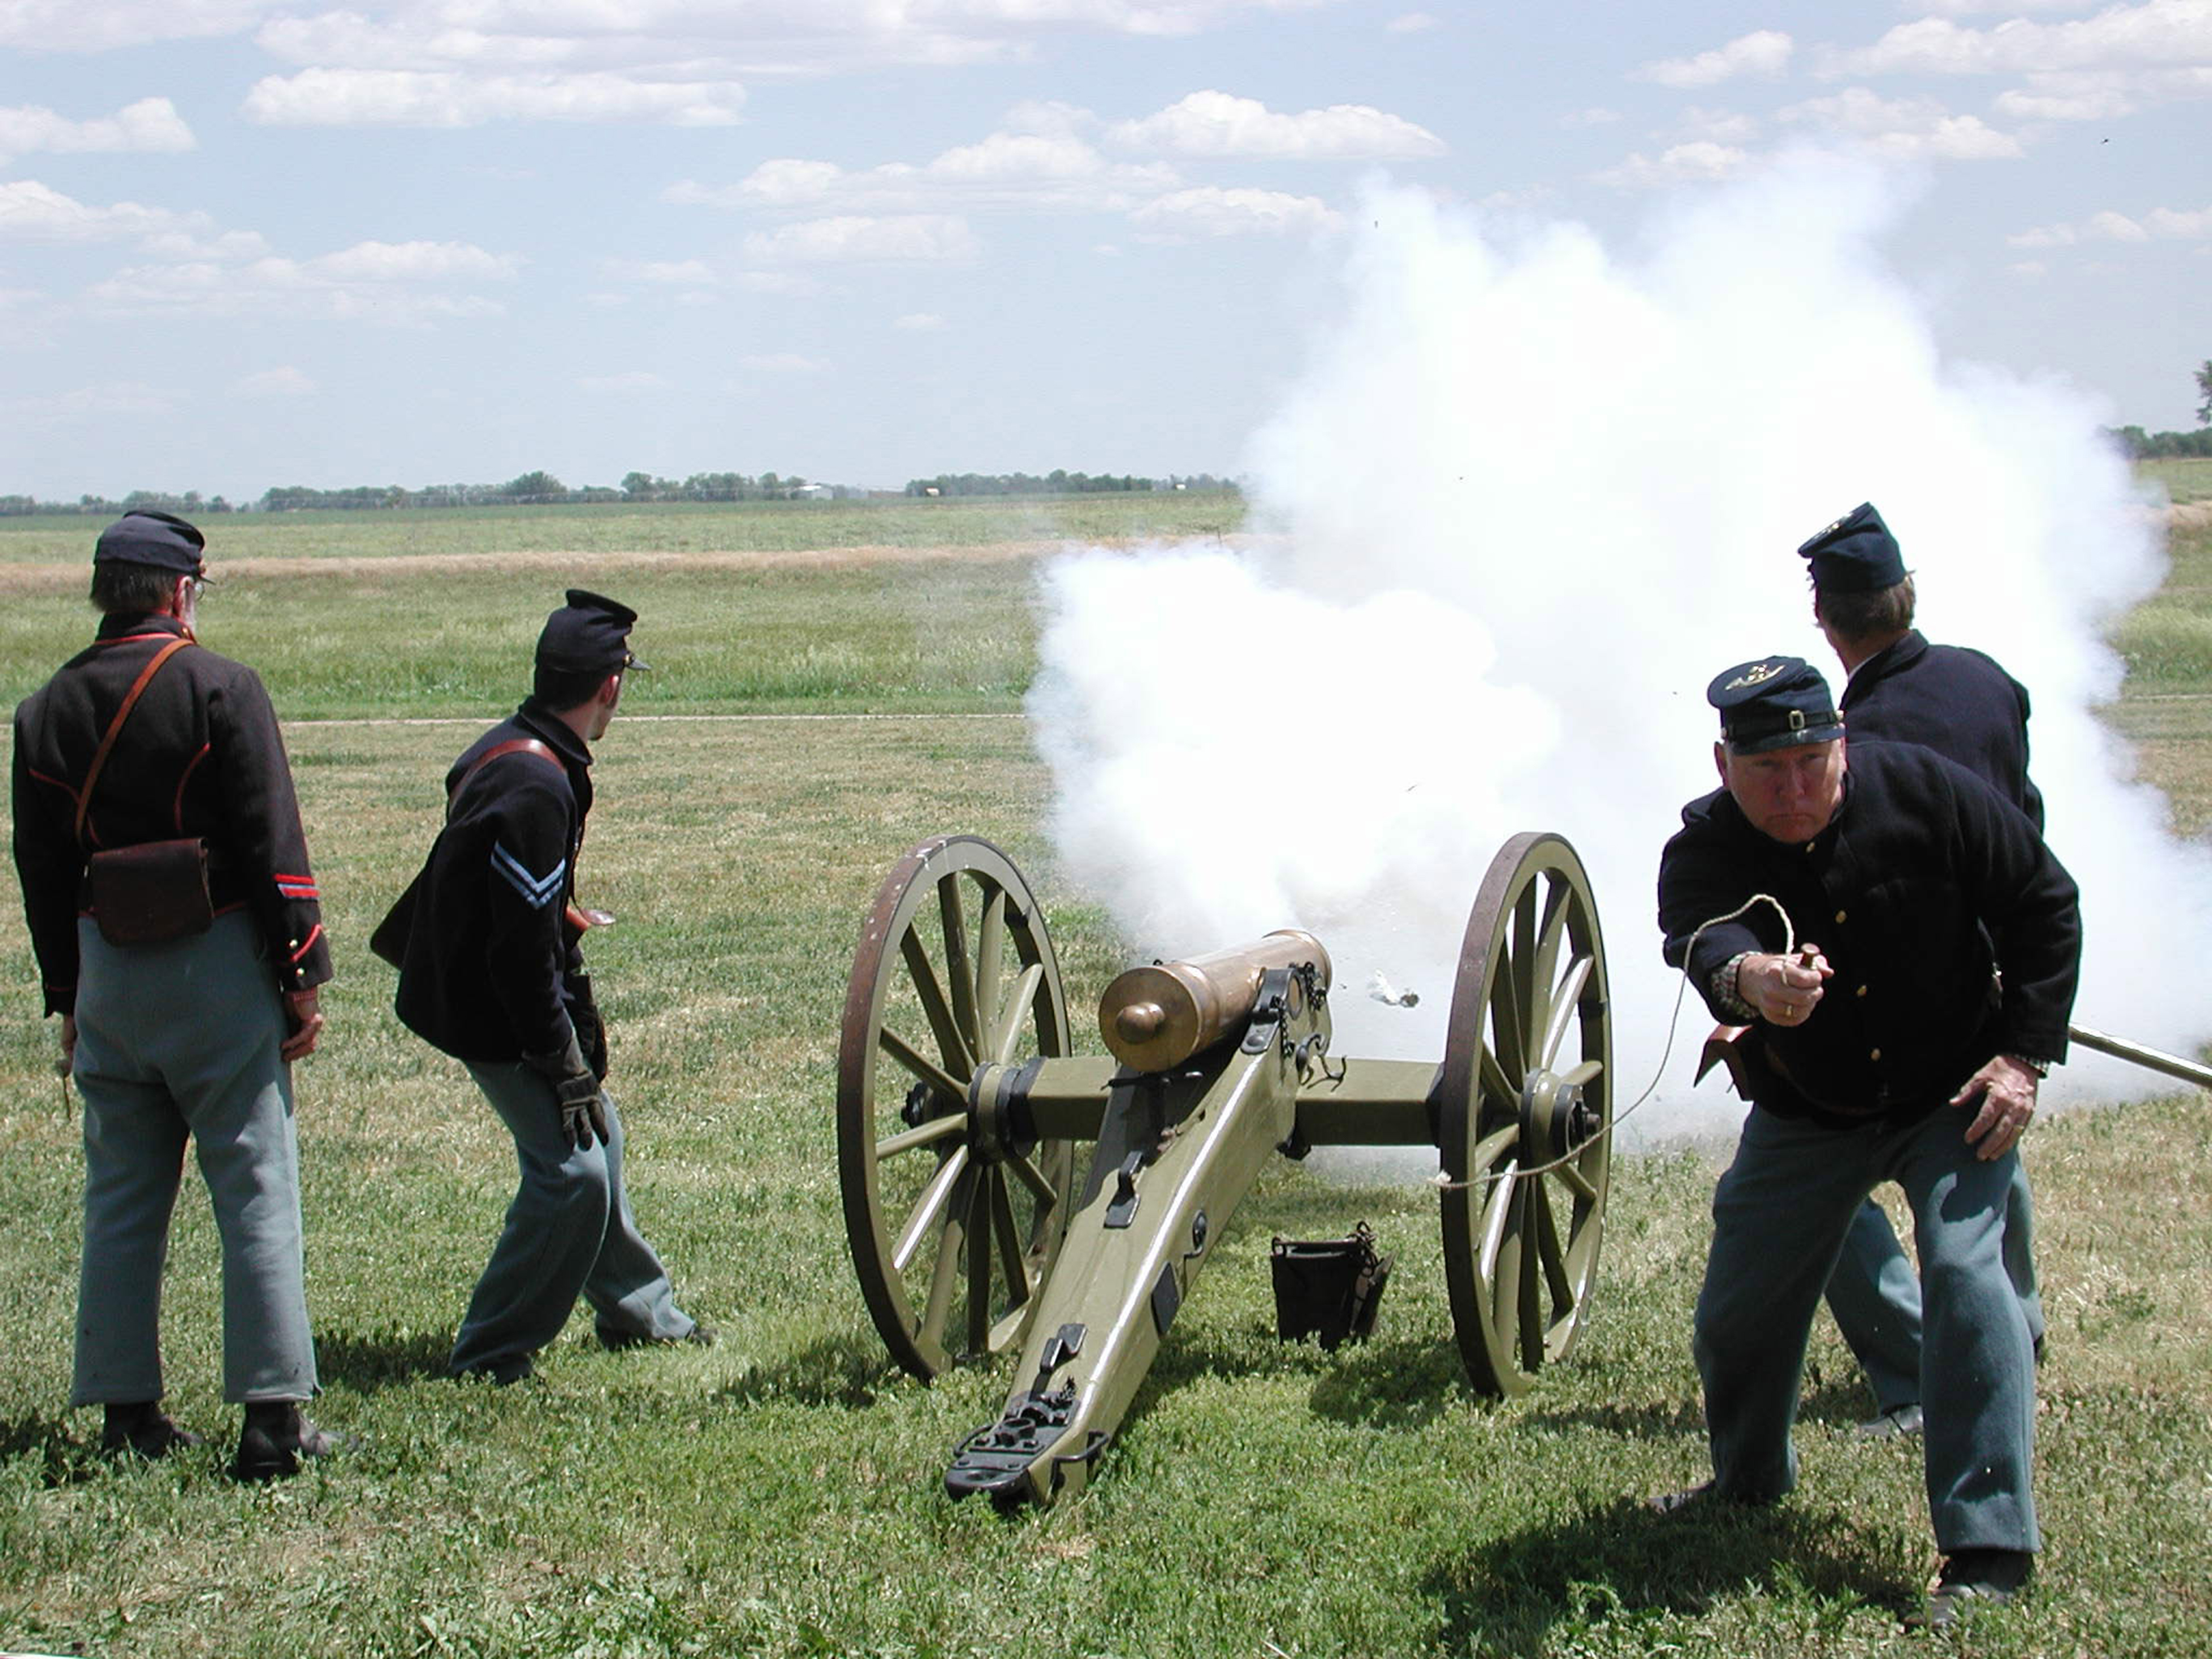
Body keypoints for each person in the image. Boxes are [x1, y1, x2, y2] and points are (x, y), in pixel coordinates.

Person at [1655, 654, 2080, 1628]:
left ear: (1841, 744)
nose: (1795, 790)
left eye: (1813, 762)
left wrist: (2021, 1059)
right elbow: (1701, 937)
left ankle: (1987, 1546)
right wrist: (1754, 978)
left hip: (1952, 1092)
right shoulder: (1704, 845)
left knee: (1972, 1281)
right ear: (1726, 765)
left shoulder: (1929, 792)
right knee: (1737, 1315)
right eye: (1768, 771)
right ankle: (1748, 1483)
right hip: (1811, 1112)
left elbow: (2044, 904)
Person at [11, 510, 338, 1480]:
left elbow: (41, 874)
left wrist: (70, 998)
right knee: (255, 1191)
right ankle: (273, 1423)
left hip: (104, 967)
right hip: (217, 965)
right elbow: (272, 843)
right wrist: (301, 973)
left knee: (119, 1199)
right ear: (179, 592)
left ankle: (128, 1414)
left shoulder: (43, 711)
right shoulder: (220, 687)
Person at [391, 589, 705, 1383]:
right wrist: (562, 1058)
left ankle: (639, 1311)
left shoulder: (516, 748)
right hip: (488, 1007)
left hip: (487, 983)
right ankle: (492, 1350)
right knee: (572, 1173)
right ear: (609, 685)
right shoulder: (538, 786)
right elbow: (520, 955)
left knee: (603, 1137)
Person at [1801, 502, 2046, 1442]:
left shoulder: (1858, 733)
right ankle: (2014, 1334)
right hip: (1990, 965)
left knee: (1806, 1180)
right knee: (1989, 1153)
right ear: (1907, 598)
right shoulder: (1990, 682)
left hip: (1913, 982)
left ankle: (1916, 1369)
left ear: (1828, 622)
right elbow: (2023, 818)